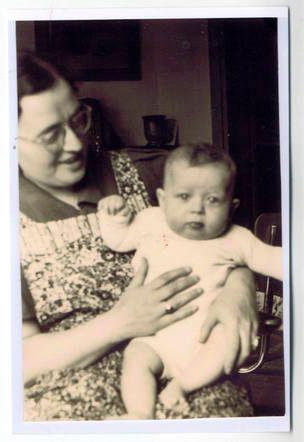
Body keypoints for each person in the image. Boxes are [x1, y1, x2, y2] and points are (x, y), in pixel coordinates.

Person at [17, 52, 258, 420]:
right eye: (51, 135)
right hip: (68, 390)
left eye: (79, 120)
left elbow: (217, 235)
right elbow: (17, 361)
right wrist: (120, 323)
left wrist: (240, 289)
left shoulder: (144, 172)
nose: (75, 144)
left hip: (181, 361)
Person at [98, 144, 283, 419]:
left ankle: (180, 387)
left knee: (227, 342)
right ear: (162, 200)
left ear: (232, 207)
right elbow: (119, 240)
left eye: (212, 200)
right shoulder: (150, 222)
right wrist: (112, 217)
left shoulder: (237, 238)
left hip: (205, 338)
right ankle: (139, 413)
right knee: (136, 357)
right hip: (155, 337)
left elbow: (278, 261)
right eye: (184, 196)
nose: (197, 209)